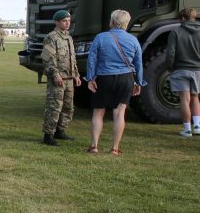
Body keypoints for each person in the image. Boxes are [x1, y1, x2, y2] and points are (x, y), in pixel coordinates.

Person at [85, 9, 144, 155]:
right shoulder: (133, 40)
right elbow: (138, 64)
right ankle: (115, 148)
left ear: (111, 21)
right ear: (126, 23)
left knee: (98, 112)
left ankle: (94, 145)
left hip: (104, 77)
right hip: (125, 78)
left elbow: (91, 59)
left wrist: (91, 78)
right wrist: (139, 82)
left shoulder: (101, 37)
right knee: (119, 113)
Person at [166, 7, 200, 137]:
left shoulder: (176, 32)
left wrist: (170, 67)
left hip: (180, 69)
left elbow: (170, 53)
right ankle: (197, 127)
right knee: (195, 97)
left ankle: (187, 129)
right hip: (198, 70)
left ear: (182, 18)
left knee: (184, 99)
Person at [40, 10, 81, 145]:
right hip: (57, 78)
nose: (67, 23)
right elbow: (48, 58)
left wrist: (76, 75)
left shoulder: (68, 37)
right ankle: (48, 134)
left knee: (68, 107)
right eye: (64, 21)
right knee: (54, 106)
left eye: (69, 21)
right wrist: (55, 74)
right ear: (57, 22)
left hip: (69, 78)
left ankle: (60, 130)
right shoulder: (51, 37)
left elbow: (72, 58)